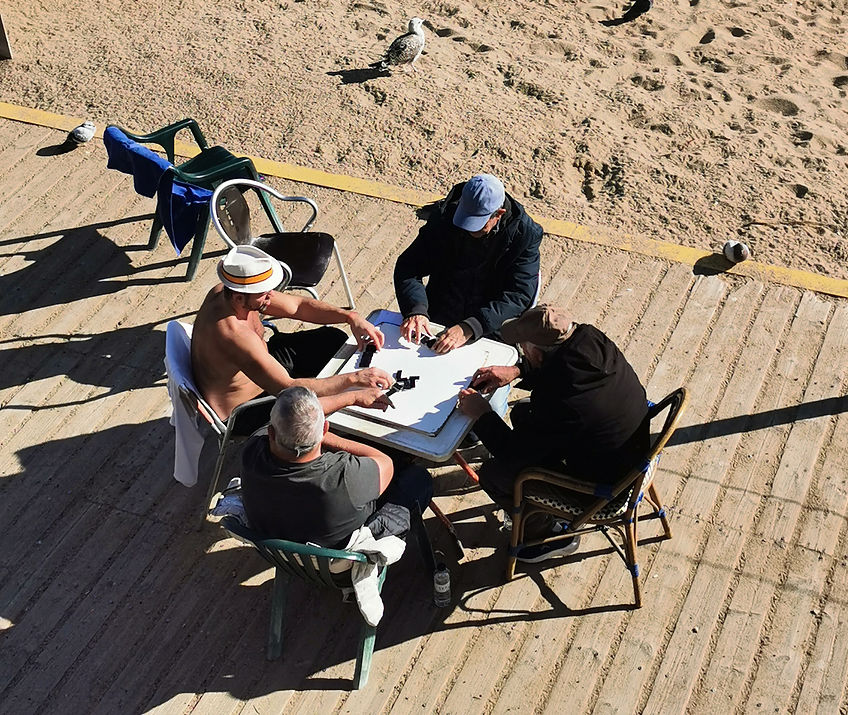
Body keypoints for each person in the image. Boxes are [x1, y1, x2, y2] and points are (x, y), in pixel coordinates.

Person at [456, 304, 650, 562]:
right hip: (634, 448)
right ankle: (536, 517)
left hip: (604, 487)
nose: (521, 352)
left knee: (495, 474)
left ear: (537, 355)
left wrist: (482, 414)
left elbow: (512, 454)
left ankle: (543, 537)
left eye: (523, 349)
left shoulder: (562, 403)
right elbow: (560, 368)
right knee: (522, 415)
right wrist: (517, 371)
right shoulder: (589, 337)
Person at [192, 243, 393, 433]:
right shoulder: (235, 335)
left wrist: (351, 318)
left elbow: (297, 306)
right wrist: (354, 380)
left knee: (332, 339)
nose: (271, 295)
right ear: (239, 298)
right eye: (265, 292)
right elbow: (288, 388)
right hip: (247, 410)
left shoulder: (231, 293)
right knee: (330, 397)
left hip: (263, 367)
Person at [241, 385, 433, 547]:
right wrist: (350, 399)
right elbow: (385, 462)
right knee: (418, 479)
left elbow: (291, 417)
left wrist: (353, 397)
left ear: (271, 433)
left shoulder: (252, 450)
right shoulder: (345, 477)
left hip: (285, 550)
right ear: (325, 428)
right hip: (341, 564)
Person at [394, 173, 542, 353]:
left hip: (490, 327)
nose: (468, 229)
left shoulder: (526, 234)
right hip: (439, 313)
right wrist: (416, 309)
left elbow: (518, 294)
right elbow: (408, 266)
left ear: (499, 214)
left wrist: (472, 326)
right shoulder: (444, 217)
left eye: (478, 224)